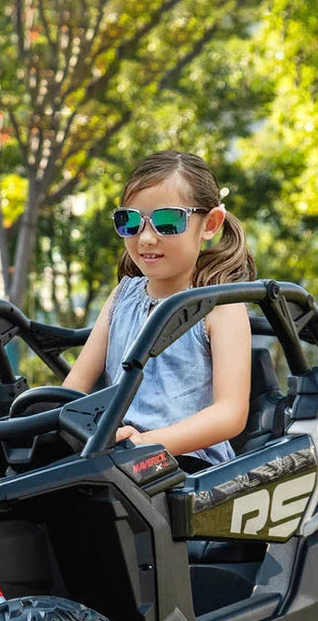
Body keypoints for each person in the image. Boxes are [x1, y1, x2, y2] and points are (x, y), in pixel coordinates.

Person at [63, 151, 256, 465]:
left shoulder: (220, 306)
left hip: (189, 466)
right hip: (113, 458)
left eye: (168, 221)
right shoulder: (123, 296)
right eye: (131, 222)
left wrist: (144, 443)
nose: (147, 238)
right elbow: (75, 388)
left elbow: (230, 414)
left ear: (210, 224)